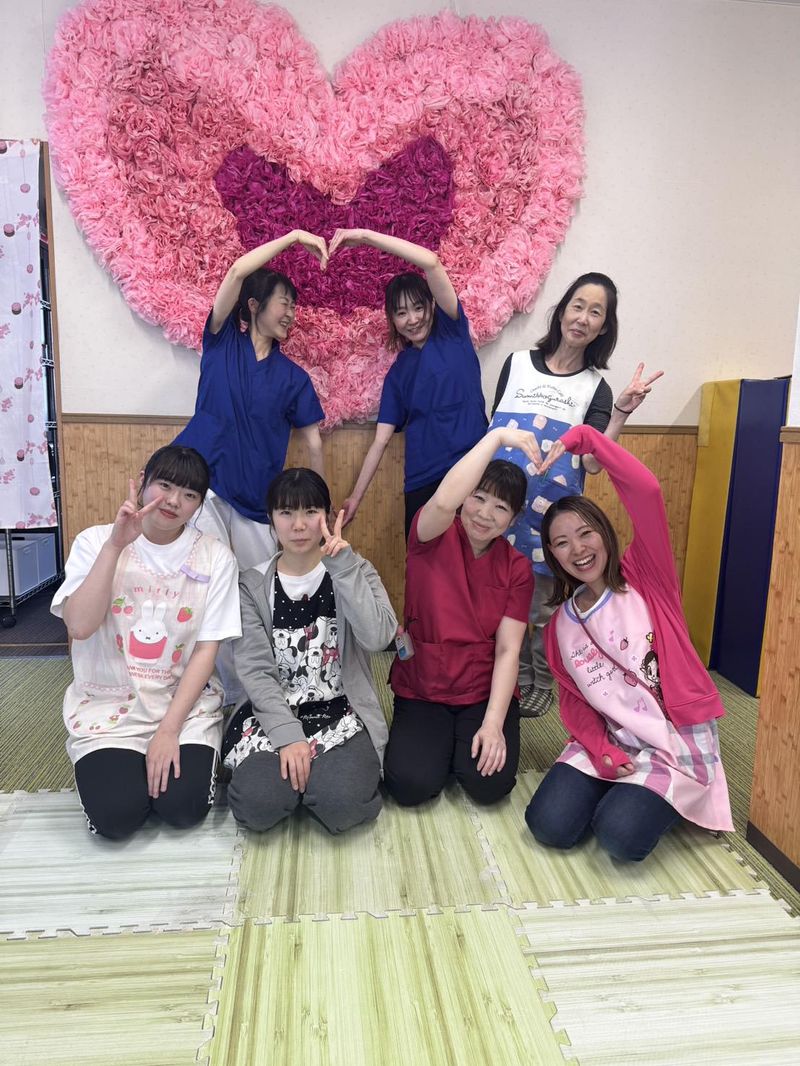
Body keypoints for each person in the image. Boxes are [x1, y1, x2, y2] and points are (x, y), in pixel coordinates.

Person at [524, 425, 733, 862]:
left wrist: (586, 438)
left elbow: (647, 490)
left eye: (585, 533)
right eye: (561, 543)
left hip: (674, 740)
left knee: (619, 836)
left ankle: (642, 799)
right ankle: (627, 790)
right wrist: (601, 750)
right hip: (613, 737)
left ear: (604, 533)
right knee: (548, 825)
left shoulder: (646, 576)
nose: (577, 549)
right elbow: (574, 701)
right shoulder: (560, 625)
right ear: (553, 556)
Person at [489, 272, 662, 717]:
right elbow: (493, 430)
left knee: (544, 609)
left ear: (603, 327)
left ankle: (544, 681)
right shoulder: (517, 363)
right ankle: (515, 678)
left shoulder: (595, 388)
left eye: (595, 312)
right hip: (500, 511)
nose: (583, 318)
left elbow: (593, 463)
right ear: (563, 310)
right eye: (578, 306)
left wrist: (620, 412)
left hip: (552, 523)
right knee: (503, 602)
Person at [51, 446, 241, 839]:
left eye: (189, 494)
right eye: (164, 486)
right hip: (110, 707)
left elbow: (206, 650)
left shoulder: (215, 557)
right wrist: (115, 546)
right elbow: (80, 626)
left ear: (199, 504)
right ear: (142, 482)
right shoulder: (95, 541)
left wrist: (169, 730)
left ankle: (184, 750)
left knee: (182, 809)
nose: (173, 501)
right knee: (116, 819)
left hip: (183, 709)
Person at [223, 468, 397, 835]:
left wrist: (344, 568)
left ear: (329, 516)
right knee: (258, 805)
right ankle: (294, 782)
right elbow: (255, 671)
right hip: (269, 715)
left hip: (341, 714)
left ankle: (318, 781)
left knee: (344, 805)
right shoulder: (251, 586)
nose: (299, 525)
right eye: (286, 512)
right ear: (271, 518)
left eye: (311, 511)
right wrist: (289, 737)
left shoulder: (356, 569)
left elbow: (378, 638)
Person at [383, 426, 537, 807]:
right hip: (424, 686)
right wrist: (496, 438)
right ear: (464, 496)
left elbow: (508, 650)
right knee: (410, 785)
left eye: (500, 507)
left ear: (513, 519)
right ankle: (443, 747)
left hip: (482, 691)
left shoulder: (517, 568)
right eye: (478, 497)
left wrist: (493, 723)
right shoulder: (430, 534)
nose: (484, 514)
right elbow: (442, 502)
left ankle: (459, 743)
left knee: (489, 785)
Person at [174, 229, 328, 570]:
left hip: (257, 496)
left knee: (257, 584)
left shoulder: (294, 378)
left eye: (294, 306)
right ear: (255, 305)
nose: (291, 313)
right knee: (202, 578)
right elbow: (237, 272)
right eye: (285, 303)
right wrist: (293, 237)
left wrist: (319, 510)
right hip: (202, 486)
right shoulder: (222, 342)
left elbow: (314, 445)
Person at [331, 228, 488, 539]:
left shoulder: (453, 333)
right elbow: (380, 442)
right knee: (423, 565)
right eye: (401, 313)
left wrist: (365, 236)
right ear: (392, 320)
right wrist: (355, 498)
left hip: (471, 471)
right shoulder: (398, 373)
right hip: (421, 482)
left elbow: (431, 262)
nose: (413, 319)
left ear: (432, 305)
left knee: (474, 564)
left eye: (418, 307)